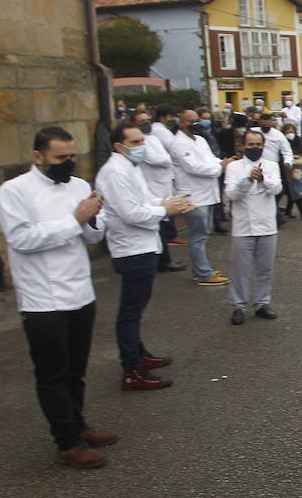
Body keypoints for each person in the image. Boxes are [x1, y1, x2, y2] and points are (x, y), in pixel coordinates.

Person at [0, 127, 117, 467]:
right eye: (60, 158)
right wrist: (74, 219)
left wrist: (95, 218)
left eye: (71, 157)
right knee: (53, 372)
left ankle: (78, 425)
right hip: (42, 299)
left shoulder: (78, 186)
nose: (68, 163)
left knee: (76, 368)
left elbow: (94, 237)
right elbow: (22, 239)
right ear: (38, 156)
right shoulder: (14, 191)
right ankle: (66, 441)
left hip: (80, 290)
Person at [96, 122, 194, 391]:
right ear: (119, 146)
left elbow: (145, 201)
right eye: (136, 142)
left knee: (136, 309)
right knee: (130, 311)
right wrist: (166, 211)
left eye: (142, 141)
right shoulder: (116, 172)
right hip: (132, 249)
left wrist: (168, 204)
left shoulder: (130, 168)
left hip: (143, 247)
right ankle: (131, 368)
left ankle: (138, 354)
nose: (142, 147)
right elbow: (132, 214)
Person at [225, 130, 283, 325]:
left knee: (265, 268)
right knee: (240, 269)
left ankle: (261, 303)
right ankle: (238, 306)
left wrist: (262, 179)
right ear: (242, 146)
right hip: (243, 226)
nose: (255, 148)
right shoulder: (234, 167)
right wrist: (248, 179)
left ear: (263, 146)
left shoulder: (272, 165)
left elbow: (276, 189)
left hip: (267, 225)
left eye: (258, 145)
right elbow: (232, 194)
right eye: (250, 145)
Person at [170, 110, 229, 286]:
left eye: (198, 121)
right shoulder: (178, 143)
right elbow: (193, 167)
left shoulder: (201, 140)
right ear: (181, 123)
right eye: (192, 121)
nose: (196, 124)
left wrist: (220, 163)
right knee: (198, 235)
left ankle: (200, 269)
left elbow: (210, 159)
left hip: (207, 193)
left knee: (203, 233)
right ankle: (204, 274)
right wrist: (219, 168)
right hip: (193, 196)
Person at [131, 109, 184, 272]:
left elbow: (165, 157)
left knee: (163, 224)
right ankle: (164, 261)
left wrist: (167, 159)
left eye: (147, 120)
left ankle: (164, 259)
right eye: (141, 121)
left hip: (163, 184)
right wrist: (168, 159)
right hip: (152, 186)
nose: (146, 123)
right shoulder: (139, 143)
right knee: (158, 225)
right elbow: (156, 159)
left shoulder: (153, 138)